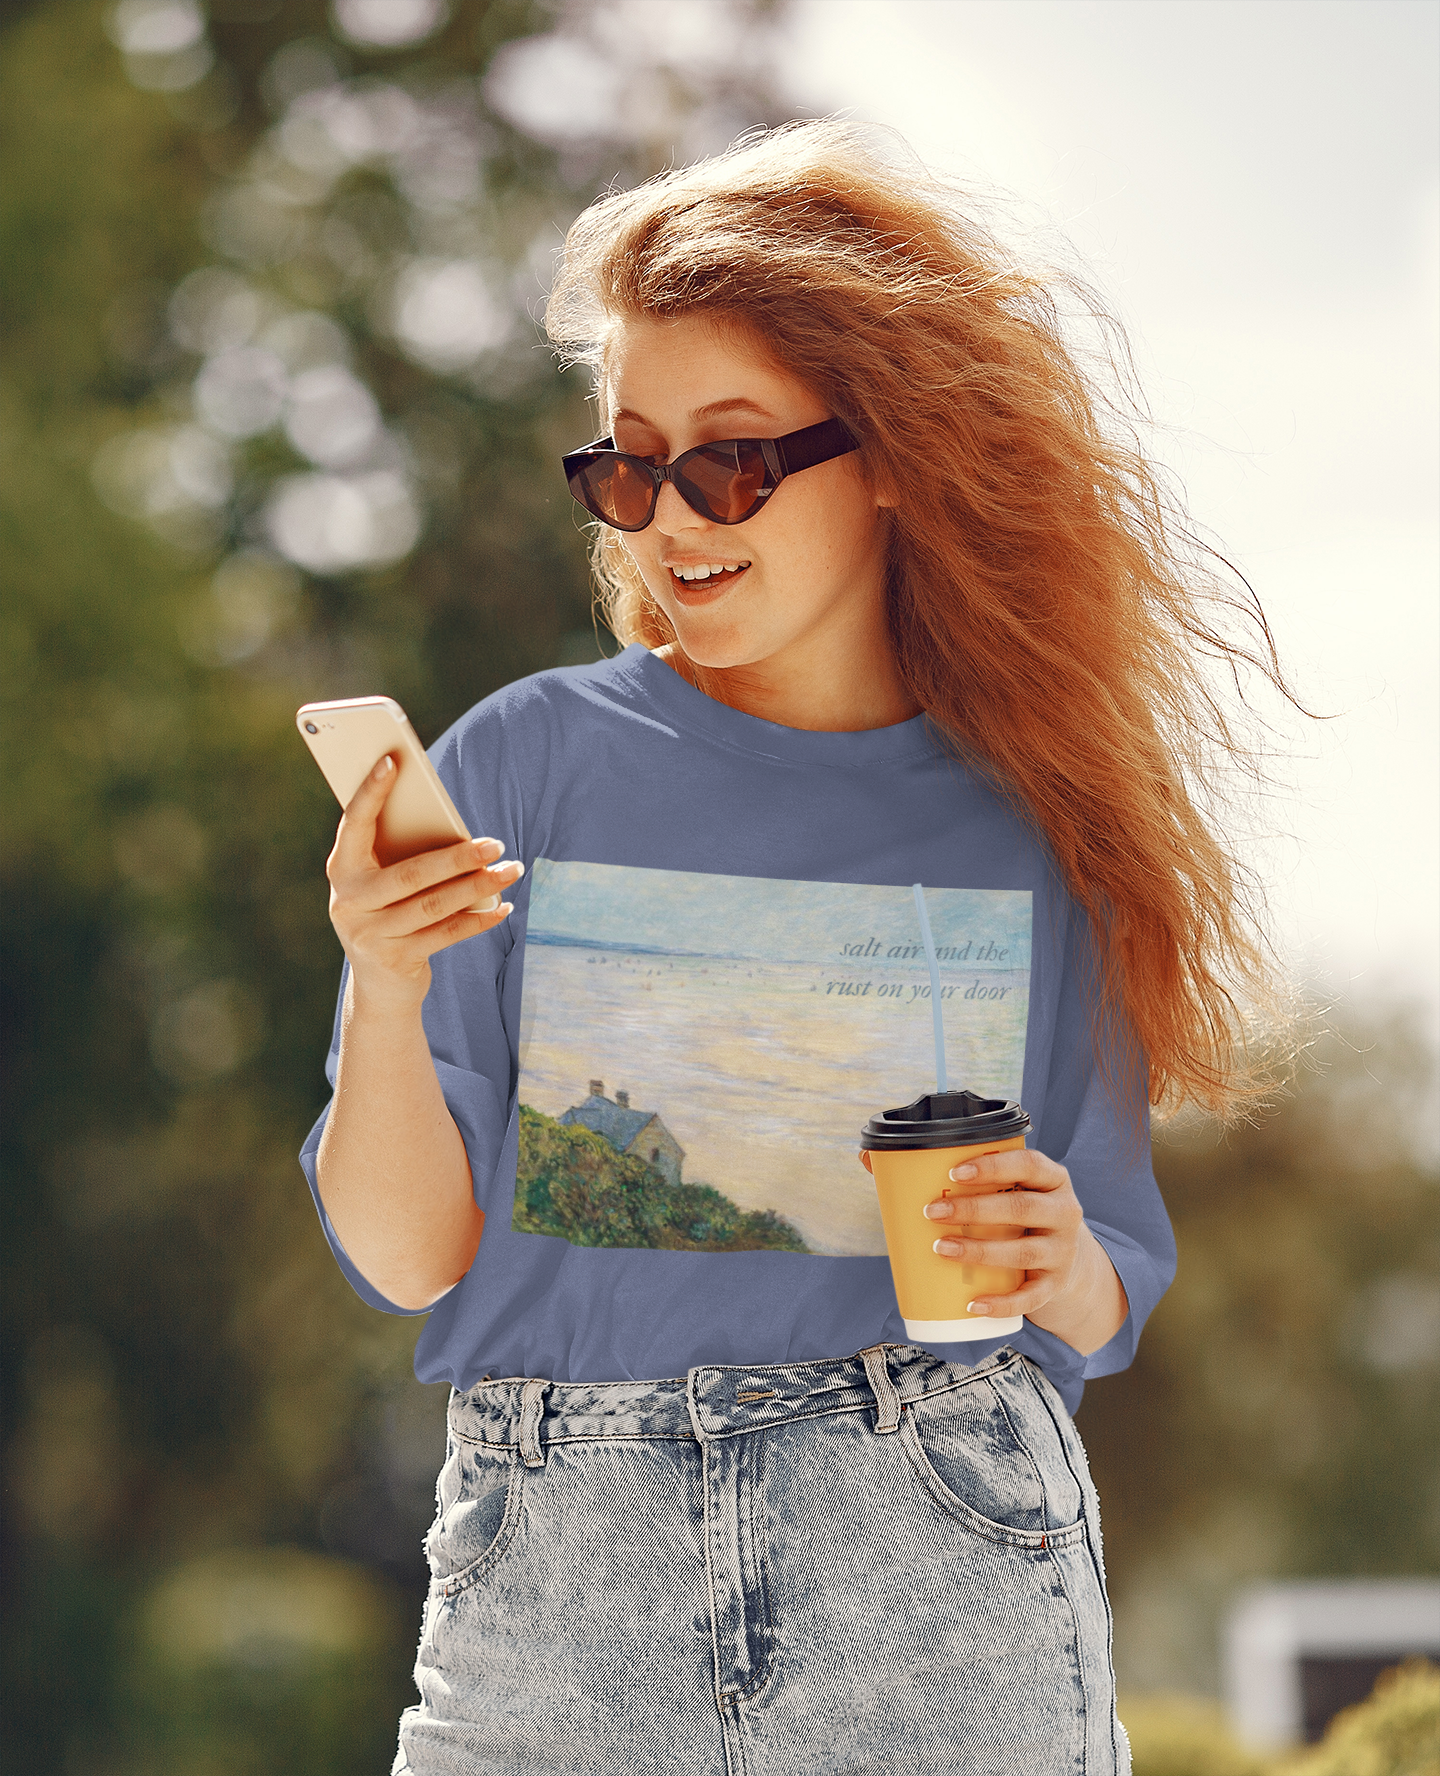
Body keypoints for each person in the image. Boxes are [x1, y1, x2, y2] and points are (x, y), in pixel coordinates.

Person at [301, 122, 1288, 1775]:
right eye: (630, 461)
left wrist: (1061, 1255)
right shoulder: (520, 768)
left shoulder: (1031, 838)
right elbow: (408, 1257)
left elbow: (1107, 1274)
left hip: (940, 1551)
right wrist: (388, 987)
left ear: (890, 454)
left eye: (735, 457)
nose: (675, 512)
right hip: (557, 1589)